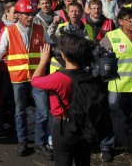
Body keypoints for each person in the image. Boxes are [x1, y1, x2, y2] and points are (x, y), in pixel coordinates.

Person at [0, 0, 54, 159]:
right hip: (19, 77)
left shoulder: (40, 29)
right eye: (26, 14)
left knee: (43, 111)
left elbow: (50, 47)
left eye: (31, 14)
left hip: (37, 76)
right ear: (19, 15)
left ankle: (40, 143)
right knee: (19, 111)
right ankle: (22, 141)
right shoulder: (10, 31)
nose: (30, 17)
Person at [98, 6, 132, 161]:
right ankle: (106, 147)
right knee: (113, 118)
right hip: (117, 86)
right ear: (120, 21)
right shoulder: (111, 36)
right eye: (128, 19)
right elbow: (99, 55)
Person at [32, 34, 93, 166]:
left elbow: (35, 81)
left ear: (64, 55)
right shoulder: (89, 74)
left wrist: (43, 61)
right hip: (85, 126)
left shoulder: (59, 78)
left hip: (63, 126)